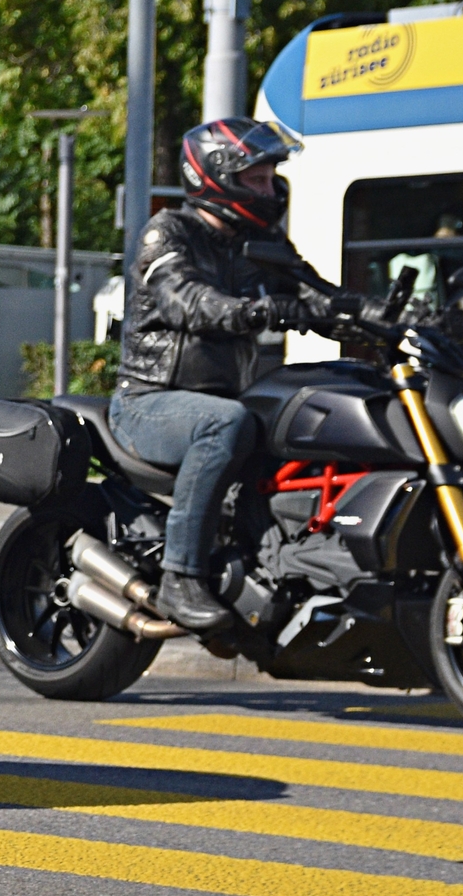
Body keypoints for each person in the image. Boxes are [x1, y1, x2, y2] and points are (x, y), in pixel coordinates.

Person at [110, 118, 349, 632]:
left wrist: (393, 316)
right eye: (258, 180)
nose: (270, 190)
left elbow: (317, 294)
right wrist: (251, 311)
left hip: (217, 398)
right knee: (227, 423)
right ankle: (180, 576)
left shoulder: (256, 241)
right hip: (149, 402)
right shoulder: (168, 232)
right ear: (219, 178)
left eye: (270, 179)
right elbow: (185, 298)